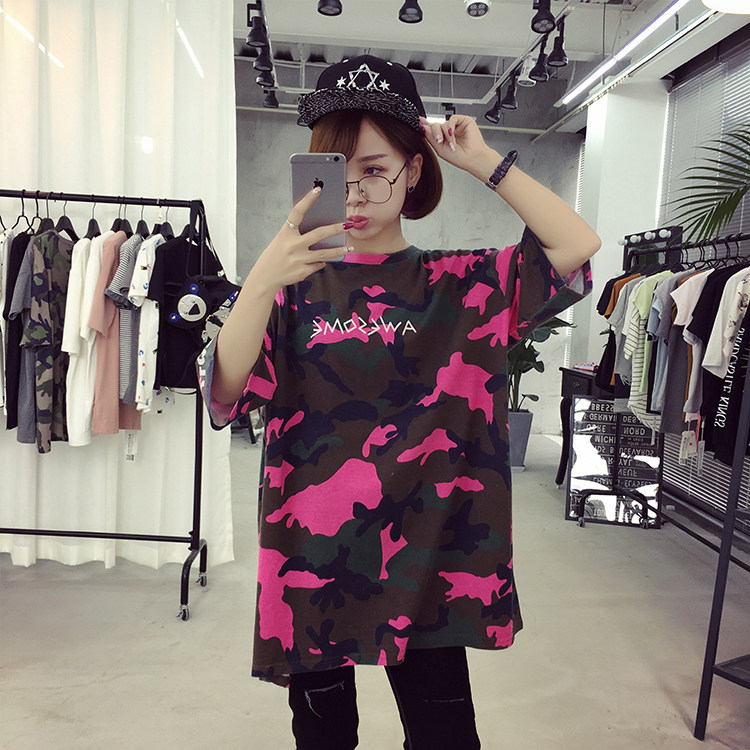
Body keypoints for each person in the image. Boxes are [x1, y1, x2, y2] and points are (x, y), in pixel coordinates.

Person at [197, 55, 599, 750]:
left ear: (413, 170)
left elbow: (576, 245)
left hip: (429, 563)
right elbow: (226, 392)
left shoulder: (462, 285)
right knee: (323, 740)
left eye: (375, 169)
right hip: (313, 564)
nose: (354, 194)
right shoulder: (289, 291)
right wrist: (263, 276)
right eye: (335, 175)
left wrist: (484, 162)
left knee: (446, 738)